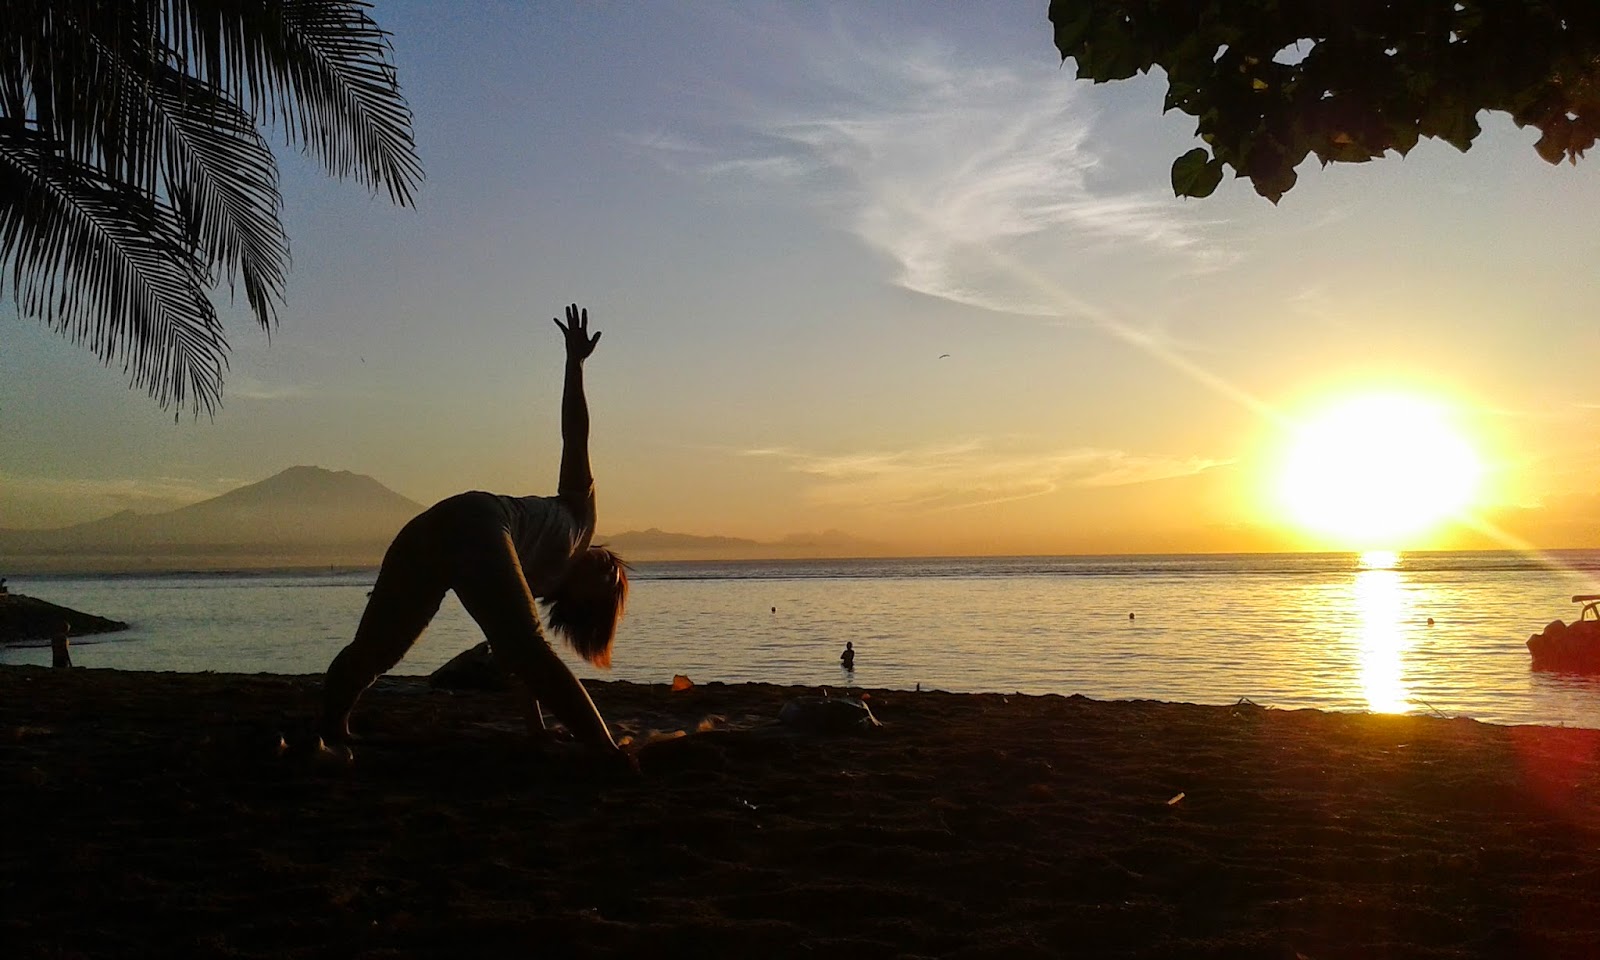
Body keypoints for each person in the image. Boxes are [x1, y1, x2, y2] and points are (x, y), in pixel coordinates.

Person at [316, 304, 631, 767]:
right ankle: (604, 751)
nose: (605, 566)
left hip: (434, 531)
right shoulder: (580, 518)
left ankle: (327, 732)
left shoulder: (535, 582)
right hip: (477, 520)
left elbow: (520, 663)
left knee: (381, 651)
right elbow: (575, 436)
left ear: (585, 608)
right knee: (520, 648)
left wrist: (536, 730)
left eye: (609, 580)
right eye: (611, 565)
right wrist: (574, 365)